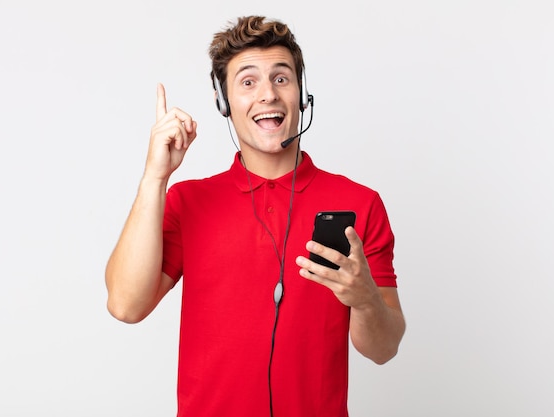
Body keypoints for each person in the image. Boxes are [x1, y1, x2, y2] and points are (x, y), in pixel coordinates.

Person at [105, 15, 405, 417]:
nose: (268, 94)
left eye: (281, 78)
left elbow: (383, 350)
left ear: (301, 94)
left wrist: (366, 300)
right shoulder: (186, 202)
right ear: (223, 102)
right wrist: (154, 177)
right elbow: (126, 305)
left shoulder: (360, 204)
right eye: (248, 82)